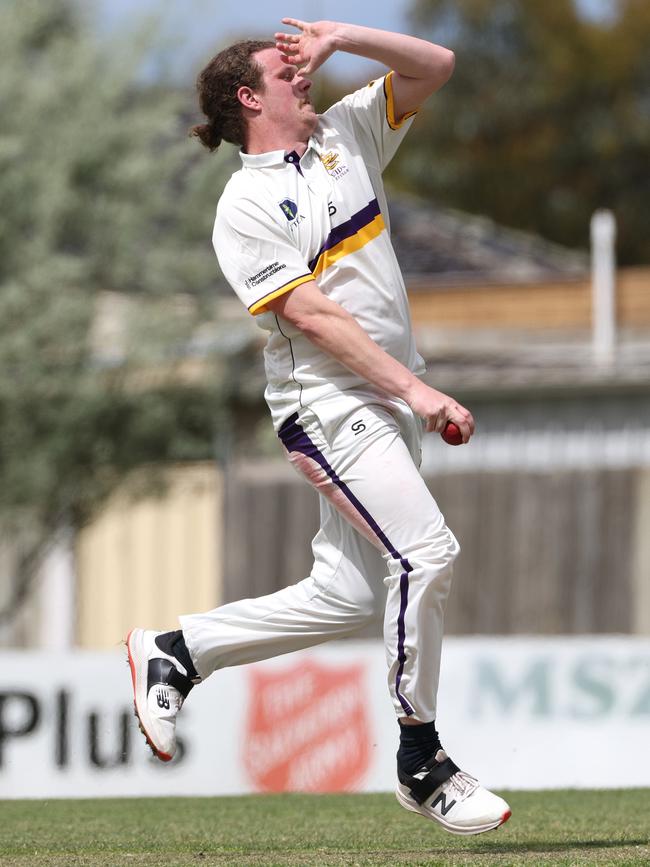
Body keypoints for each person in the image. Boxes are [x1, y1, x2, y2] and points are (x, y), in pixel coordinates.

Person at [126, 18, 511, 836]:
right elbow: (313, 316)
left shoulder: (347, 132)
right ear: (247, 97)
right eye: (285, 68)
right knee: (427, 552)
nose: (303, 73)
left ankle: (177, 648)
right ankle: (422, 757)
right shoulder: (244, 205)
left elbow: (437, 64)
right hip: (329, 410)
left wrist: (345, 34)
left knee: (342, 597)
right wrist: (418, 391)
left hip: (377, 404)